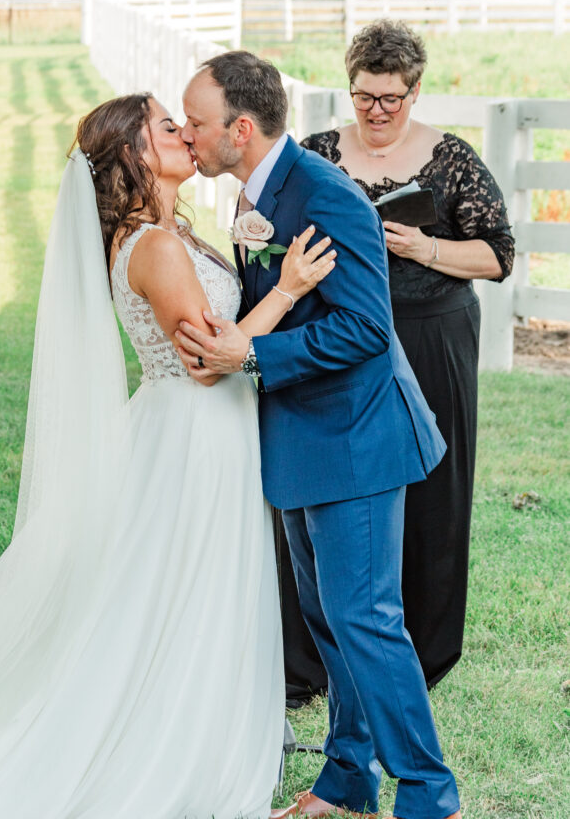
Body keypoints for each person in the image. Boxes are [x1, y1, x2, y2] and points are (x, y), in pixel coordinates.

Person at [0, 93, 336, 818]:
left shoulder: (172, 232)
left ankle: (203, 719)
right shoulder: (152, 245)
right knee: (180, 588)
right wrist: (286, 290)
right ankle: (167, 738)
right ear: (132, 153)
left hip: (211, 431)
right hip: (193, 431)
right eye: (168, 126)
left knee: (192, 585)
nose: (187, 134)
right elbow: (206, 363)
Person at [176, 50, 462, 819]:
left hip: (354, 439)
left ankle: (430, 794)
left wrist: (254, 353)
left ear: (240, 128)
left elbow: (366, 329)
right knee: (328, 619)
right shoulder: (259, 192)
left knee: (365, 619)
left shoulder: (325, 195)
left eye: (196, 123)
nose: (187, 134)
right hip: (302, 437)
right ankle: (345, 778)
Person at [301, 19, 515, 689]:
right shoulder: (317, 155)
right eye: (364, 96)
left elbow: (496, 255)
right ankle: (321, 653)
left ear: (415, 91)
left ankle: (419, 652)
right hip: (339, 337)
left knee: (432, 487)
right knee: (332, 482)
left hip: (432, 333)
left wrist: (422, 246)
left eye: (390, 98)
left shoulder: (450, 159)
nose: (375, 111)